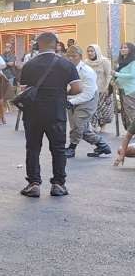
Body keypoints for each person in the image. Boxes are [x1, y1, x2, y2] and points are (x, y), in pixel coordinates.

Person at [17, 31, 82, 198]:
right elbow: (77, 89)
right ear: (56, 45)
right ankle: (58, 185)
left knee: (33, 148)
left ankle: (33, 184)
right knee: (58, 149)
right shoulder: (66, 64)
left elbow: (23, 90)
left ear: (39, 44)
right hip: (56, 112)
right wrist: (61, 92)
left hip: (32, 114)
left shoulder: (29, 65)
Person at [63, 46, 111, 159]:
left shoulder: (87, 71)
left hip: (88, 99)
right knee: (80, 128)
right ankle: (102, 145)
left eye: (73, 56)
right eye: (68, 56)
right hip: (72, 99)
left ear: (80, 57)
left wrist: (72, 101)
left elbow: (88, 94)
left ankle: (72, 148)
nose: (70, 58)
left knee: (78, 125)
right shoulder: (66, 69)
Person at [84, 44, 113, 133]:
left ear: (97, 51)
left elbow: (108, 75)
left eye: (92, 51)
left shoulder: (104, 61)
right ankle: (93, 126)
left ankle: (103, 126)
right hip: (91, 90)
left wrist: (107, 87)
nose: (90, 53)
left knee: (104, 109)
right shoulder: (86, 62)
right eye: (88, 51)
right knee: (92, 108)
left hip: (103, 89)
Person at [118, 42, 135, 129]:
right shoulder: (121, 62)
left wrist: (117, 74)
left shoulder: (133, 61)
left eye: (125, 48)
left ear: (131, 50)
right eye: (122, 47)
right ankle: (130, 131)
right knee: (125, 112)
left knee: (131, 111)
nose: (122, 49)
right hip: (122, 89)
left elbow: (132, 75)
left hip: (130, 90)